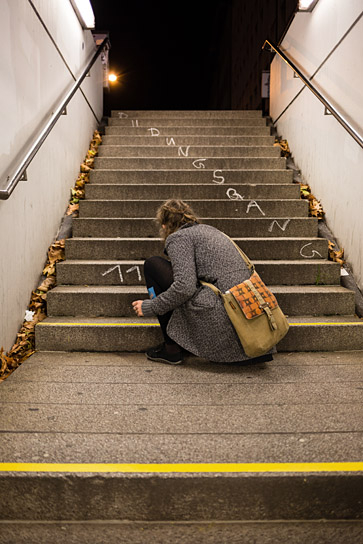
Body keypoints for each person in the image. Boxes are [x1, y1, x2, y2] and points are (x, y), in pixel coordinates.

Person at [132, 199, 274, 365]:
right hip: (251, 324)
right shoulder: (211, 231)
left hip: (228, 326)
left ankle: (171, 348)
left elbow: (184, 287)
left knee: (153, 265)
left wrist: (150, 307)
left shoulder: (179, 238)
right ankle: (181, 339)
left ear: (164, 225)